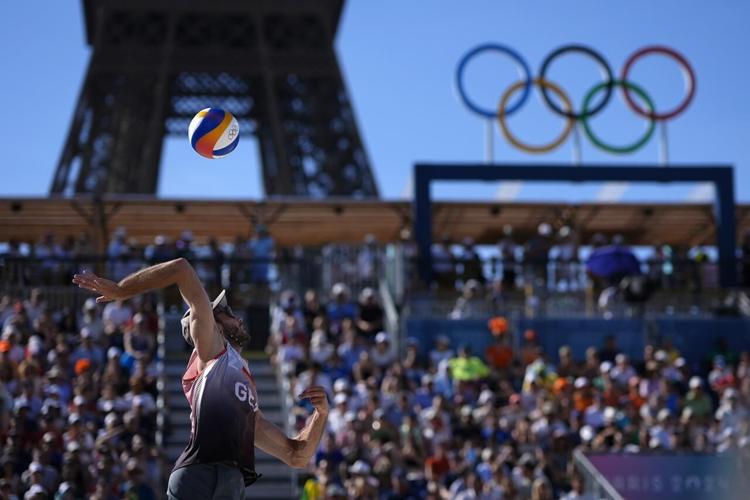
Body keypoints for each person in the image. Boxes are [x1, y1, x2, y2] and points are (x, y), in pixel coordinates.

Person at [72, 257, 329, 499]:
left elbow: (297, 456)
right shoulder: (211, 348)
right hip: (199, 472)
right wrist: (121, 290)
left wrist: (320, 416)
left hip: (228, 479)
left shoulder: (245, 388)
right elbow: (181, 269)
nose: (237, 316)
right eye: (226, 311)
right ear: (212, 324)